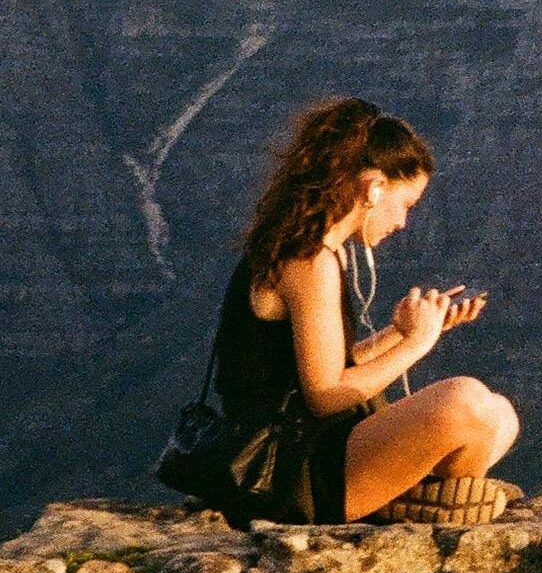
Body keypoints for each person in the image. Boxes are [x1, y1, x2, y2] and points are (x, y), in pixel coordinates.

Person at [211, 95, 520, 526]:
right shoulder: (308, 260)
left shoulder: (319, 252)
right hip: (286, 473)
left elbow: (322, 370)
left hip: (316, 448)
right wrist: (417, 344)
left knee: (501, 416)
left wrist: (398, 331)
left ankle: (418, 495)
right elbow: (324, 397)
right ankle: (427, 499)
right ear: (373, 187)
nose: (403, 223)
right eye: (406, 204)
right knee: (465, 400)